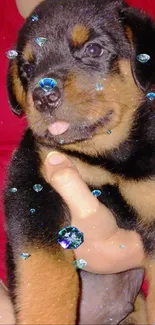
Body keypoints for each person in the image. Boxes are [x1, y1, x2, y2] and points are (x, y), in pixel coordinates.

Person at [0, 0, 154, 323]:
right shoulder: (44, 155)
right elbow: (28, 215)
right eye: (29, 70)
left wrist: (124, 250)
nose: (44, 90)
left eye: (93, 52)